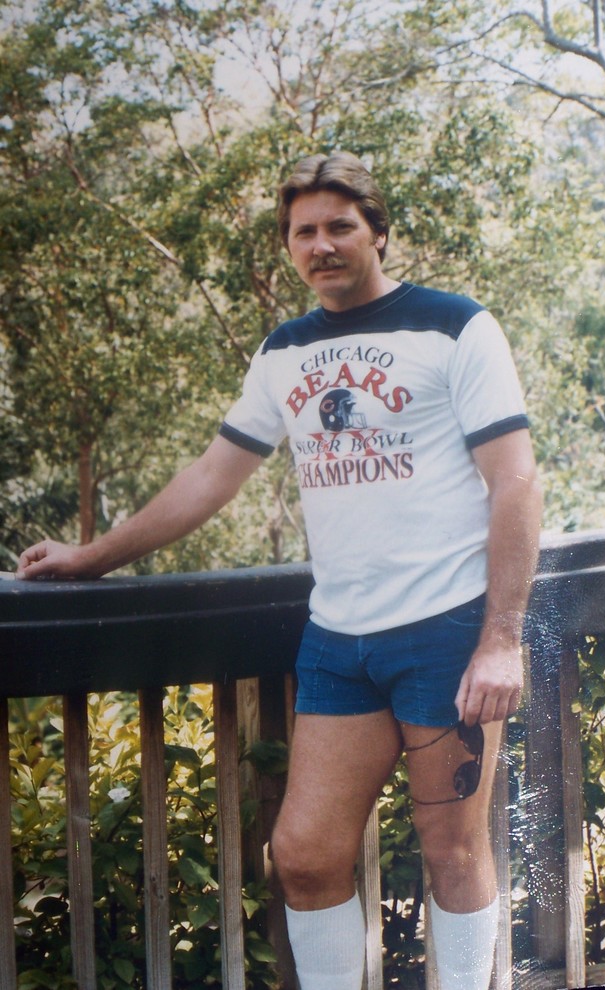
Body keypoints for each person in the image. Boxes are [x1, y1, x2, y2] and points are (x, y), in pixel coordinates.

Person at [17, 151, 542, 990]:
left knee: (451, 848)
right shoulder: (285, 350)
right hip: (340, 638)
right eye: (304, 232)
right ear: (288, 246)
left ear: (378, 232)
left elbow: (514, 481)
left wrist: (502, 638)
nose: (322, 244)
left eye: (340, 226)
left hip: (446, 631)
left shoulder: (455, 326)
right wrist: (91, 556)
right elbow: (211, 476)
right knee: (303, 854)